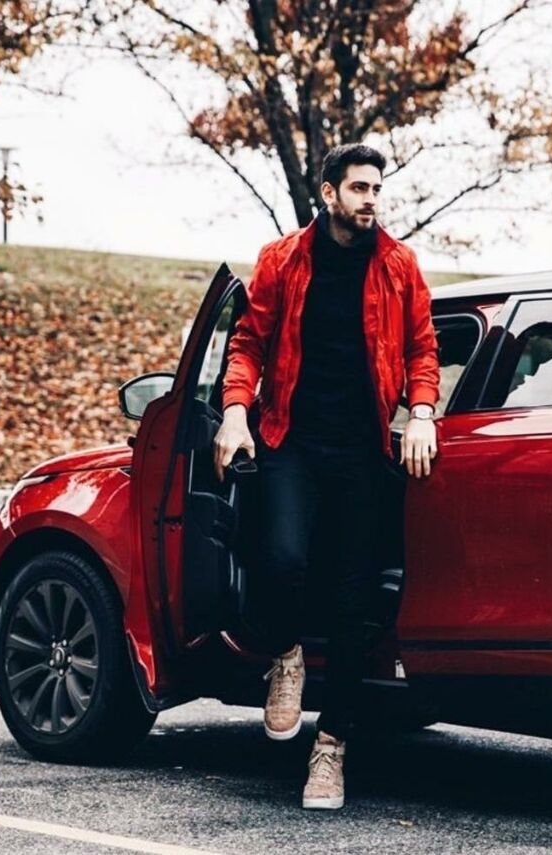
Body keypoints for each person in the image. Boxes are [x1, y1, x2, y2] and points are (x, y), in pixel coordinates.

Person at [213, 143, 440, 810]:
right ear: (329, 192)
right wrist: (234, 413)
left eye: (377, 188)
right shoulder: (282, 260)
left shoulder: (398, 265)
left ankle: (331, 747)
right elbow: (248, 343)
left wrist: (422, 413)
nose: (371, 199)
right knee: (281, 558)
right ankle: (284, 653)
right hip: (290, 440)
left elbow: (423, 347)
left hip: (362, 453)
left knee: (352, 605)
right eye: (360, 187)